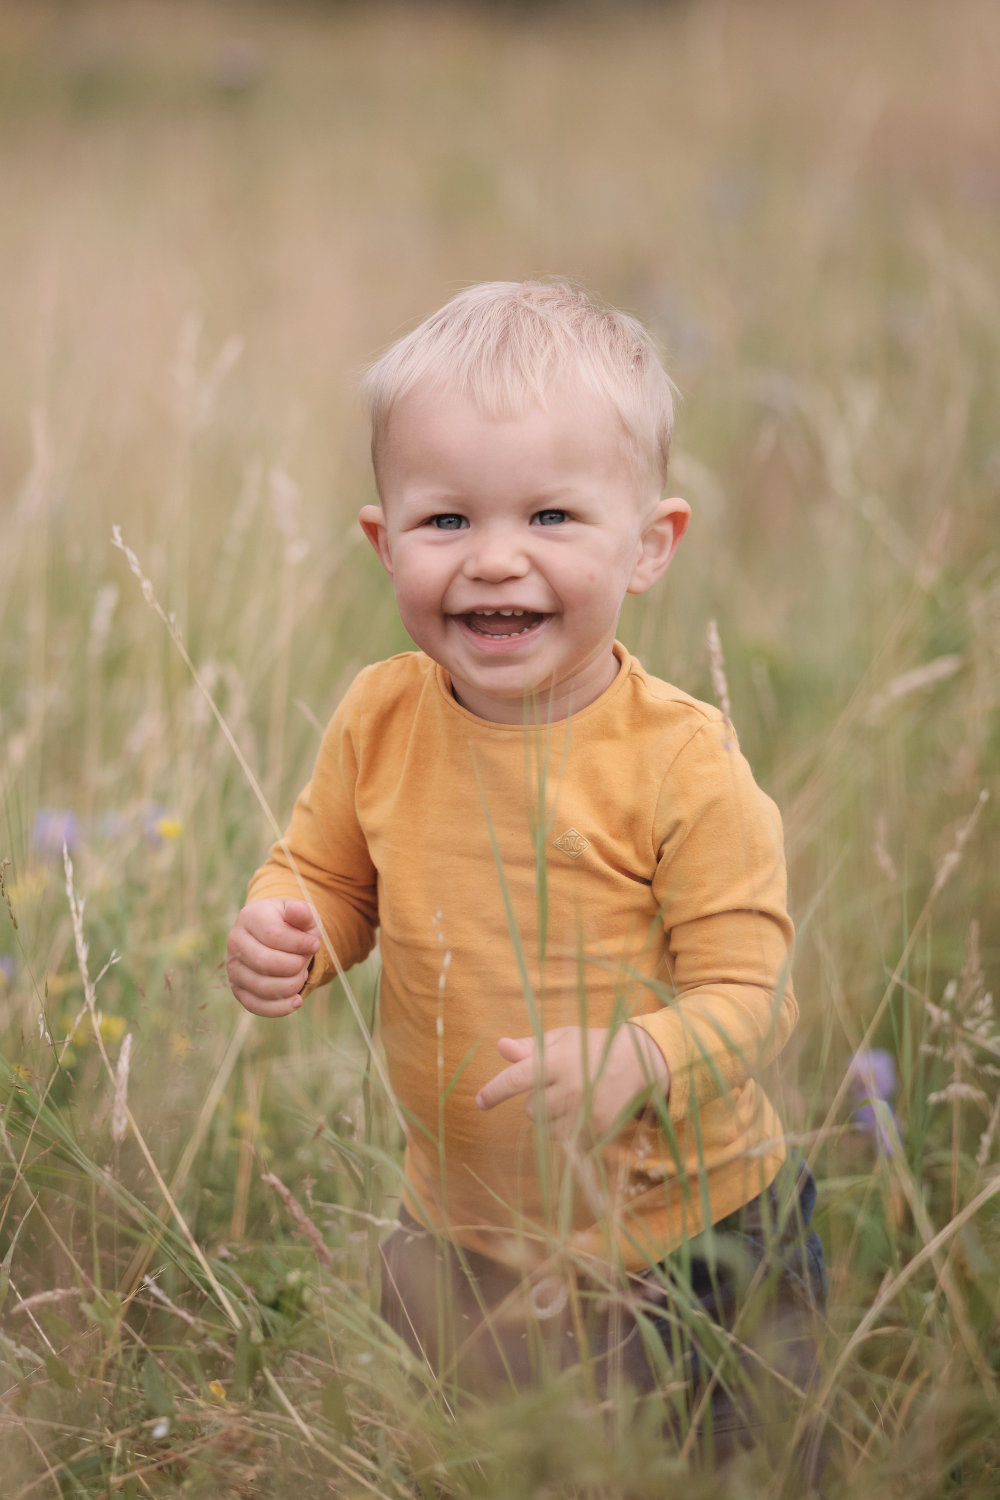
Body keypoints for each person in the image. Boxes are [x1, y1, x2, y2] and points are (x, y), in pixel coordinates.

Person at [226, 280, 826, 1465]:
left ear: (649, 545)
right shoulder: (381, 715)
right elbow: (329, 879)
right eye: (446, 521)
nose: (494, 561)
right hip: (461, 1240)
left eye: (551, 516)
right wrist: (283, 923)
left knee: (734, 1468)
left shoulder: (681, 764)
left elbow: (754, 1000)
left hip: (691, 1240)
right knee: (485, 1465)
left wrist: (639, 1058)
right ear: (384, 542)